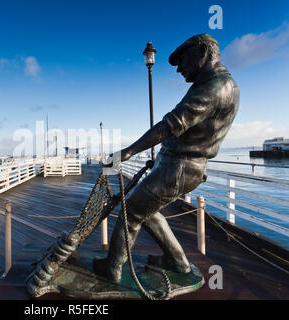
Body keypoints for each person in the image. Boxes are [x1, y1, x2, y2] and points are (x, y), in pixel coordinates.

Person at [93, 34, 239, 281]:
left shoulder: (217, 87)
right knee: (146, 211)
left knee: (131, 212)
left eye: (182, 60)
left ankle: (112, 268)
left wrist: (127, 152)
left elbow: (171, 125)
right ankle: (178, 262)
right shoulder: (212, 83)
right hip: (175, 164)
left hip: (180, 167)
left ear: (203, 53)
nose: (180, 69)